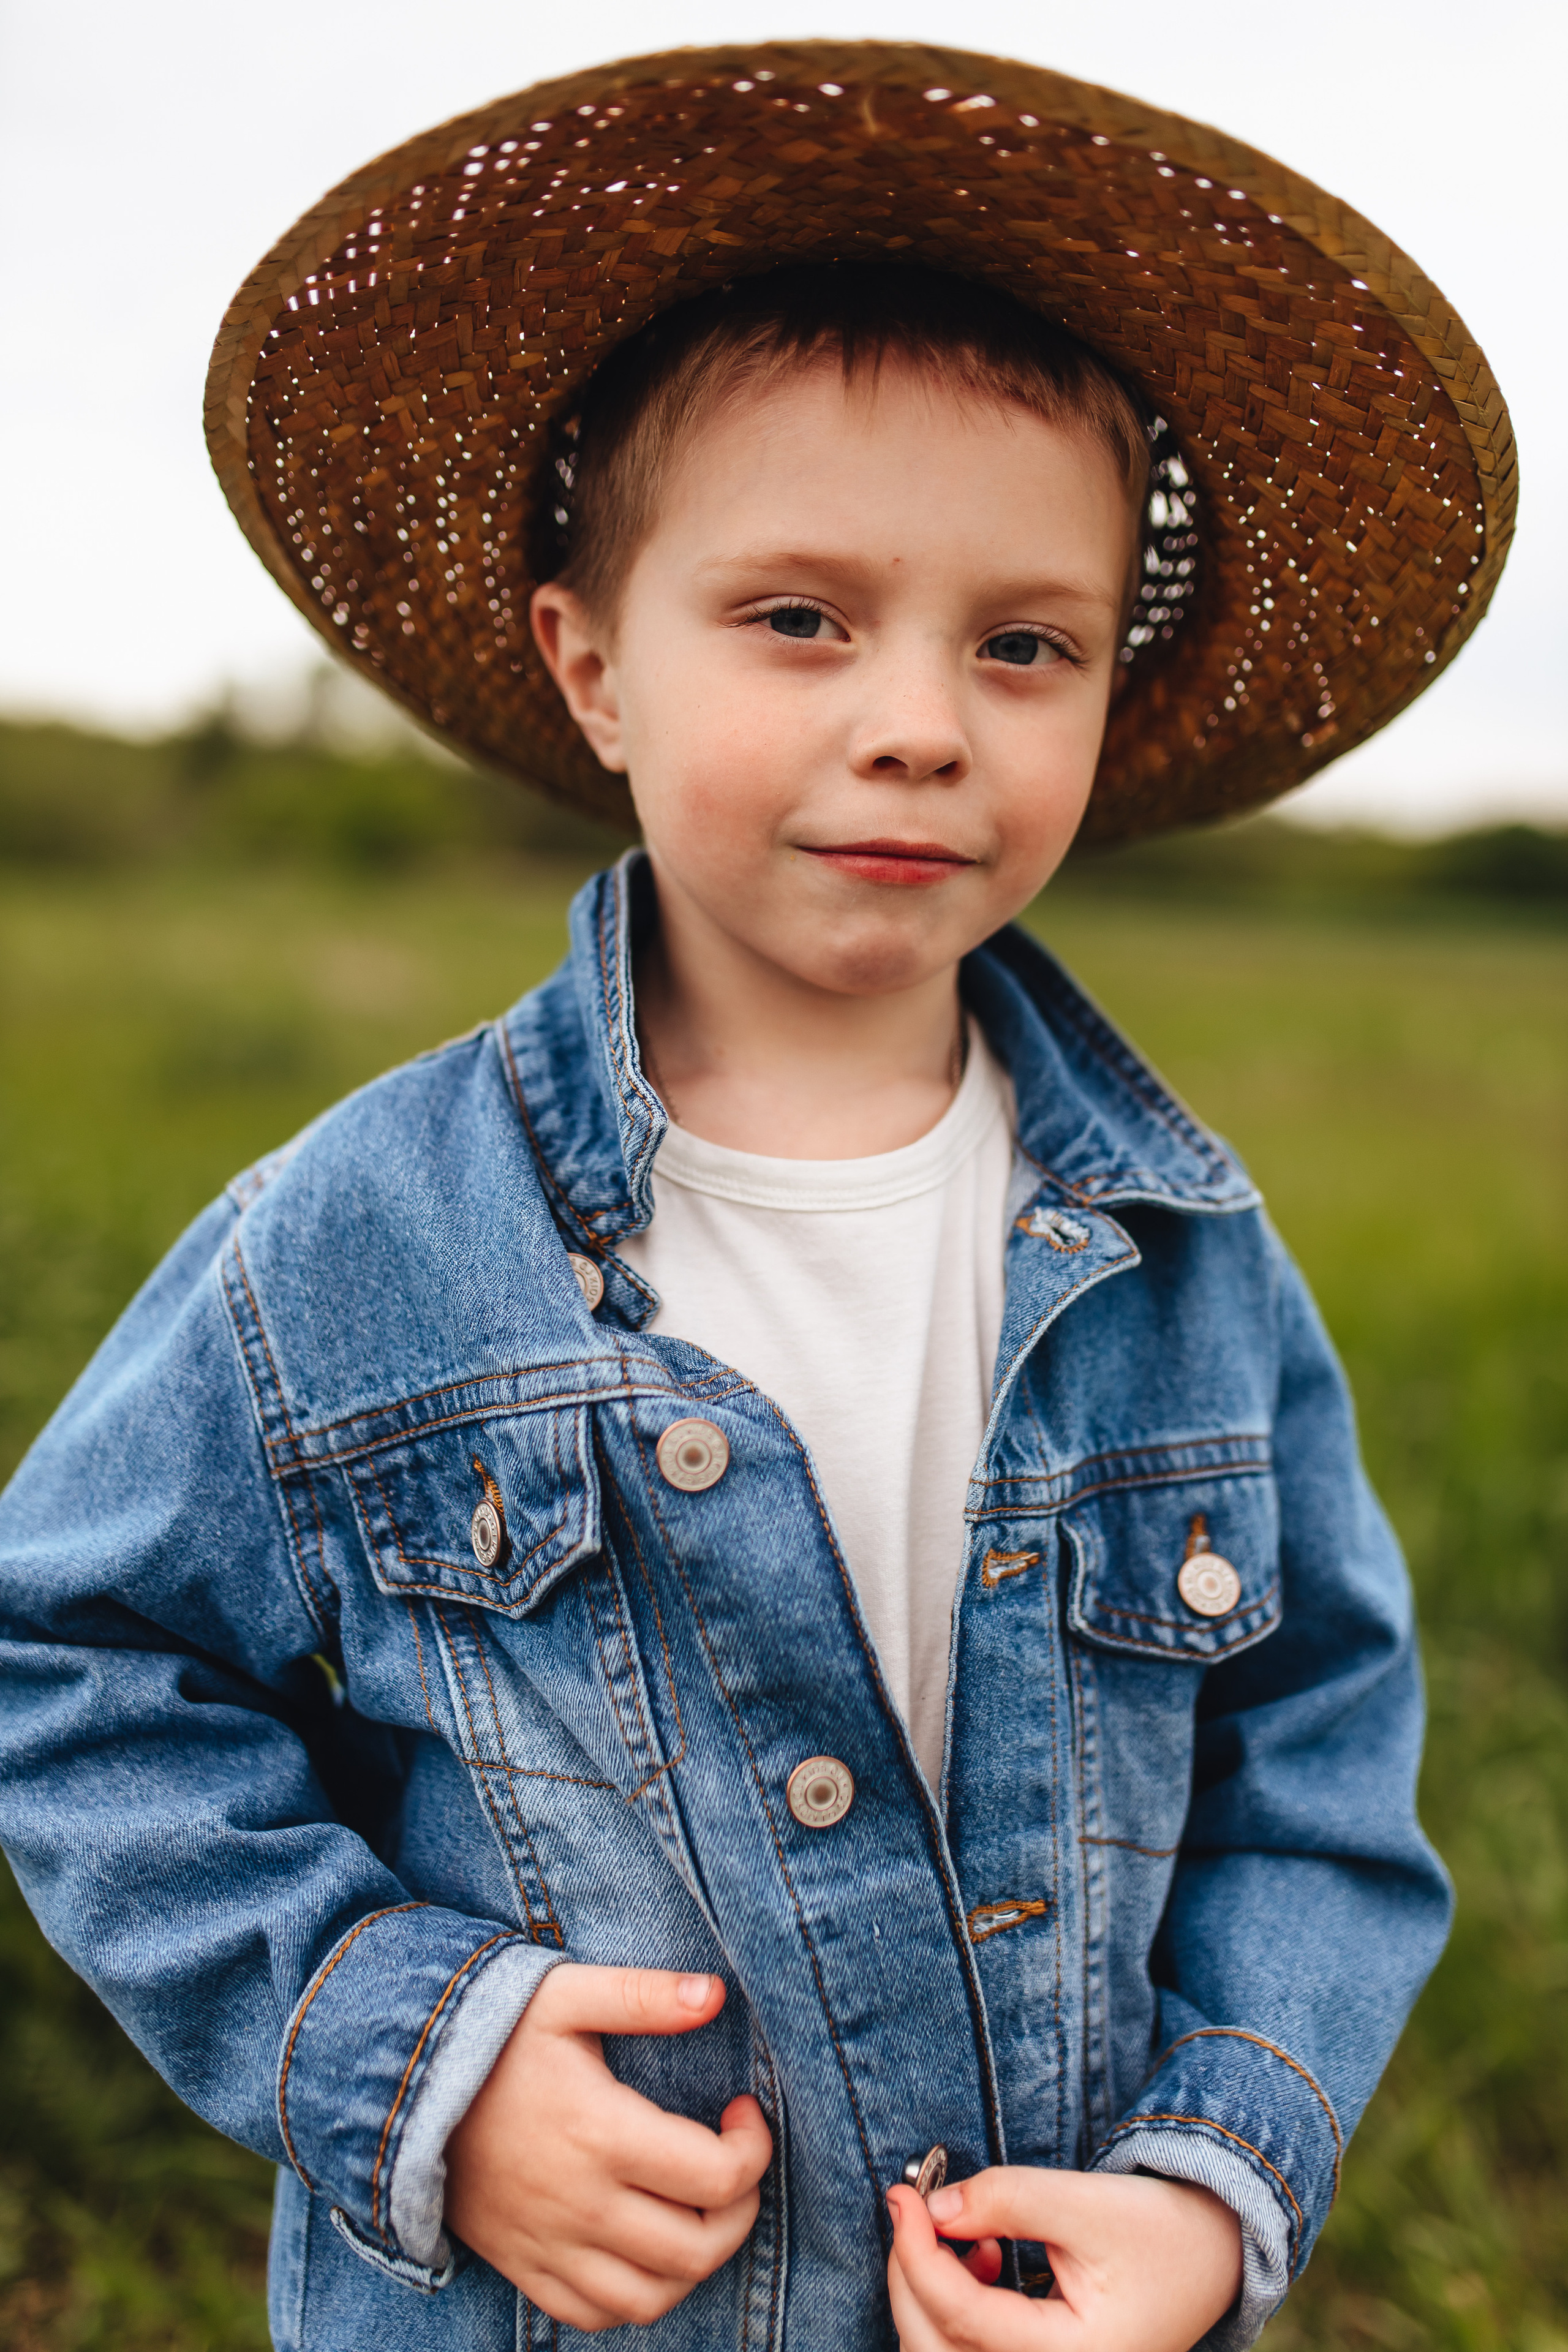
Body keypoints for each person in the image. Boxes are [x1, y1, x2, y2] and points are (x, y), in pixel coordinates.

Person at [0, 41, 1512, 2352]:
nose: (921, 720)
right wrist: (419, 2056)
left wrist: (1215, 2195)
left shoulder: (1184, 1257)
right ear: (593, 665)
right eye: (801, 617)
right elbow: (66, 1656)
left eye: (1023, 645)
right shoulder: (362, 1238)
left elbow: (1318, 1768)